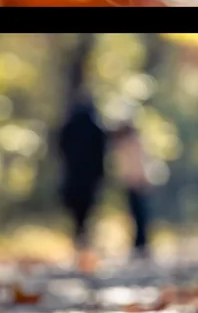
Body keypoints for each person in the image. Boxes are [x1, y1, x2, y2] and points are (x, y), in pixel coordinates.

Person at [57, 93, 107, 262]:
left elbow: (60, 149)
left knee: (77, 211)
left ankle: (80, 238)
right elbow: (101, 154)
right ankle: (83, 238)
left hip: (73, 176)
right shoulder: (96, 128)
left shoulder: (69, 127)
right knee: (87, 210)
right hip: (89, 179)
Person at [111, 122, 154, 258]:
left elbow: (136, 164)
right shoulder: (128, 144)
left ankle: (141, 244)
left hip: (136, 182)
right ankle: (139, 243)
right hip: (134, 182)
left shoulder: (131, 144)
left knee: (139, 215)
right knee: (136, 215)